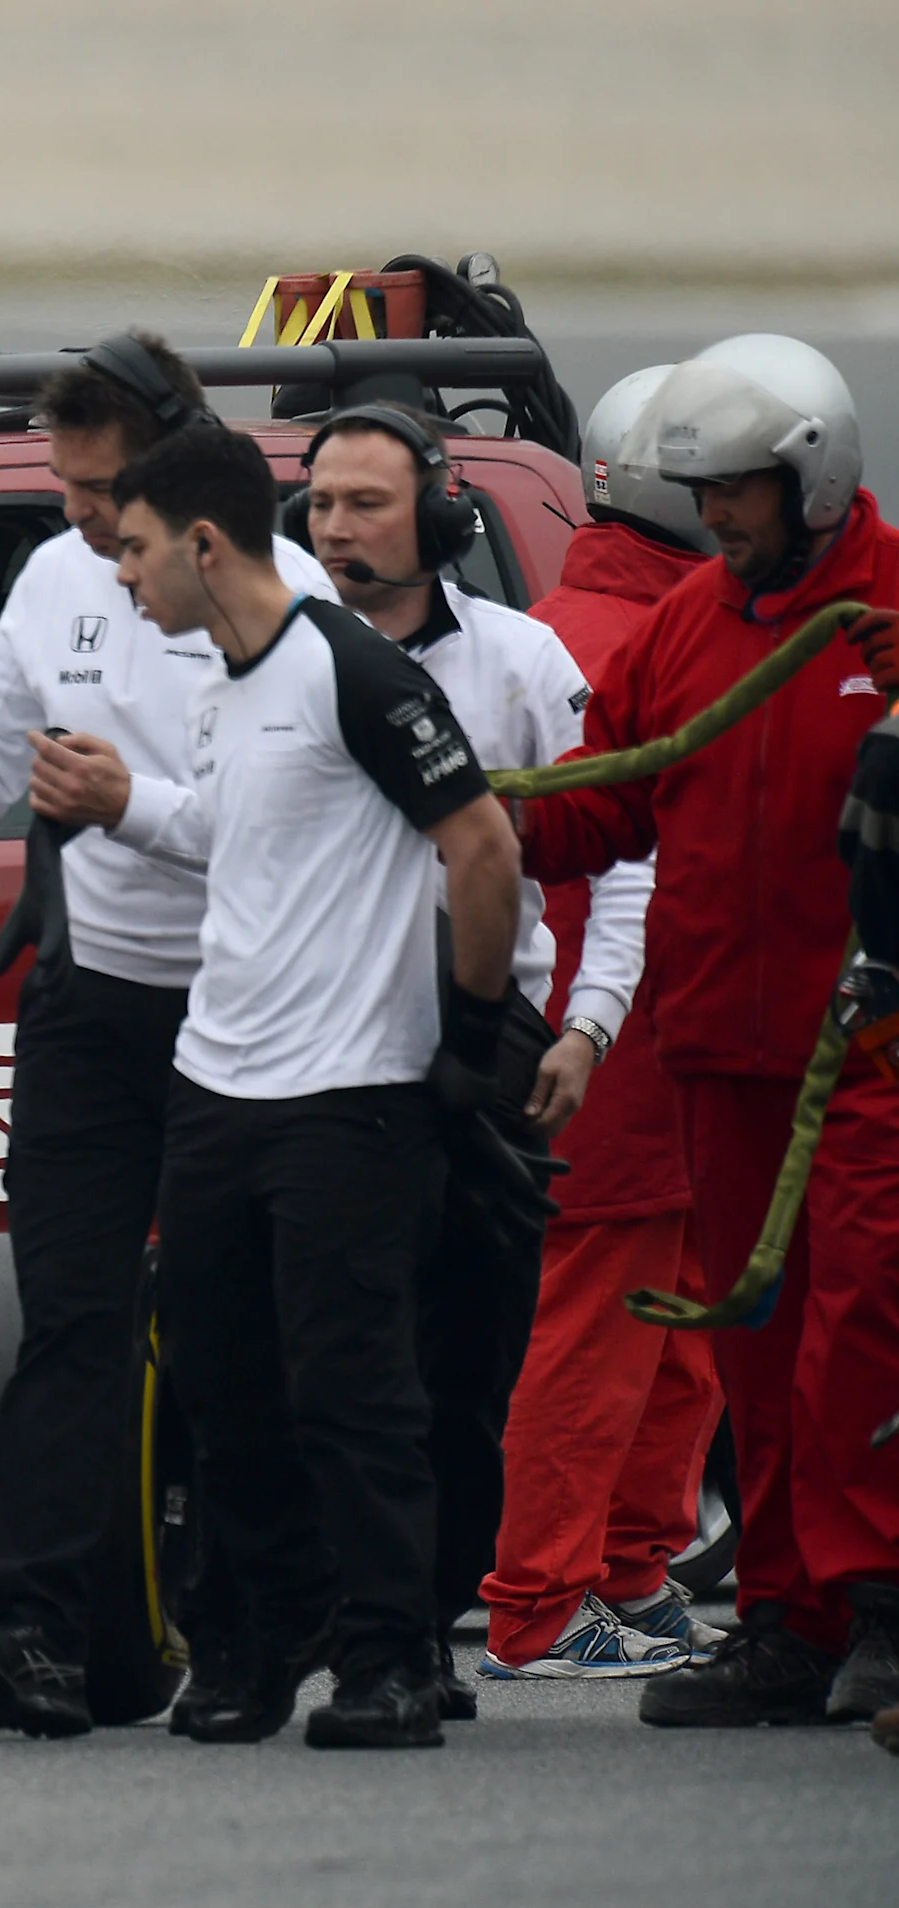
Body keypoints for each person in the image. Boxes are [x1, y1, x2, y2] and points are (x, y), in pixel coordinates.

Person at [0, 331, 328, 1739]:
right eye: (65, 489)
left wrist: (126, 807)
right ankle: (33, 1626)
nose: (81, 518)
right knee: (72, 1322)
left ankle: (249, 1626)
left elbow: (283, 837)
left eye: (102, 490)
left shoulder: (285, 607)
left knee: (240, 1343)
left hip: (246, 1015)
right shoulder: (56, 577)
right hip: (87, 1002)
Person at [35, 421, 520, 1749]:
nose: (119, 577)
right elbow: (234, 835)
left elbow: (481, 848)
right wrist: (124, 800)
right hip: (217, 1088)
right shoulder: (219, 684)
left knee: (354, 1391)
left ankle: (391, 1658)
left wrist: (468, 1047)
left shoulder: (348, 670)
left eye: (132, 549)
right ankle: (259, 1637)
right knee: (220, 1388)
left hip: (350, 1098)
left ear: (201, 544)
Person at [521, 334, 899, 1728]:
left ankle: (880, 1607)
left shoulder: (893, 606)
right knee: (758, 1343)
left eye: (735, 491)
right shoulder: (691, 625)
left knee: (860, 1327)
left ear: (810, 477)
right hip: (722, 1060)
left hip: (863, 1055)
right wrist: (465, 798)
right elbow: (599, 802)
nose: (715, 518)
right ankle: (793, 1621)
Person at [294, 399, 648, 1709]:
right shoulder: (262, 661)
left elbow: (628, 849)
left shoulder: (522, 663)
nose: (337, 531)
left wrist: (592, 1022)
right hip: (319, 1037)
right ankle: (350, 1624)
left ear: (440, 517)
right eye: (321, 506)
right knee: (332, 1344)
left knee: (473, 1353)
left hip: (491, 1036)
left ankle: (418, 1624)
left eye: (368, 503)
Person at [482, 368, 728, 1681]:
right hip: (618, 1047)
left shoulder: (604, 628)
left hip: (654, 1042)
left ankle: (631, 1570)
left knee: (670, 1333)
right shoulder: (641, 642)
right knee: (598, 1335)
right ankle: (538, 1606)